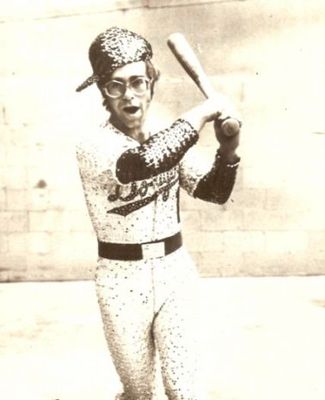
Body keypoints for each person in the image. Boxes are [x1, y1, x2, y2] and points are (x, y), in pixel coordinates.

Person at [75, 26, 241, 400]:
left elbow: (212, 191)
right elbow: (143, 162)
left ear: (152, 82)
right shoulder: (93, 144)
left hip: (175, 272)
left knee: (184, 390)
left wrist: (229, 150)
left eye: (137, 81)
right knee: (138, 393)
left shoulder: (167, 133)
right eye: (115, 85)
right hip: (120, 281)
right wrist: (203, 112)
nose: (129, 95)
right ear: (102, 91)